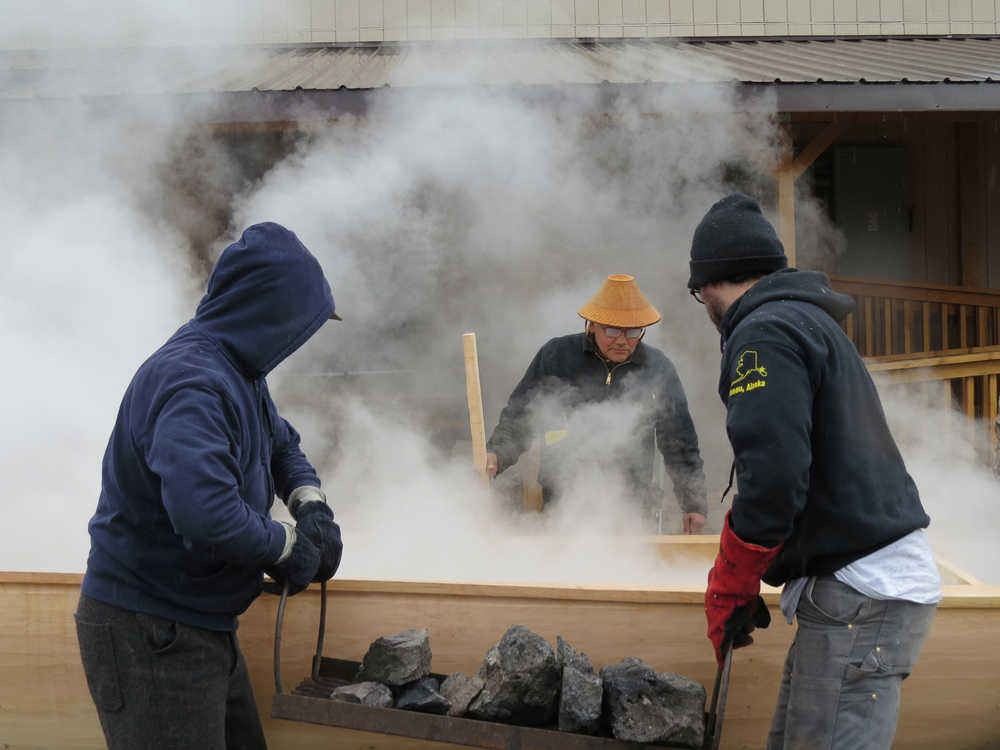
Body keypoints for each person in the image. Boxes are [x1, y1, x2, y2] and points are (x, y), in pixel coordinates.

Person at [75, 222, 344, 750]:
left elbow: (281, 444)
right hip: (150, 631)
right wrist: (289, 549)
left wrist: (312, 507)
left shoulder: (240, 369)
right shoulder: (192, 381)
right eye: (298, 323)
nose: (299, 340)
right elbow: (207, 515)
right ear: (268, 312)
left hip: (198, 622)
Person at [690, 194, 940, 749]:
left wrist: (734, 573)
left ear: (710, 283)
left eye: (697, 291)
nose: (703, 302)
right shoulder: (805, 320)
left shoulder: (762, 333)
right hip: (856, 593)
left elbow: (775, 475)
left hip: (860, 594)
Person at [485, 274, 707, 533]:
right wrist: (497, 454)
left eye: (633, 331)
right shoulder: (556, 356)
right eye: (612, 330)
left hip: (633, 509)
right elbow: (521, 417)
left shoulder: (658, 369)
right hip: (563, 504)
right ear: (592, 324)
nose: (623, 340)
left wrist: (693, 503)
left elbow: (679, 441)